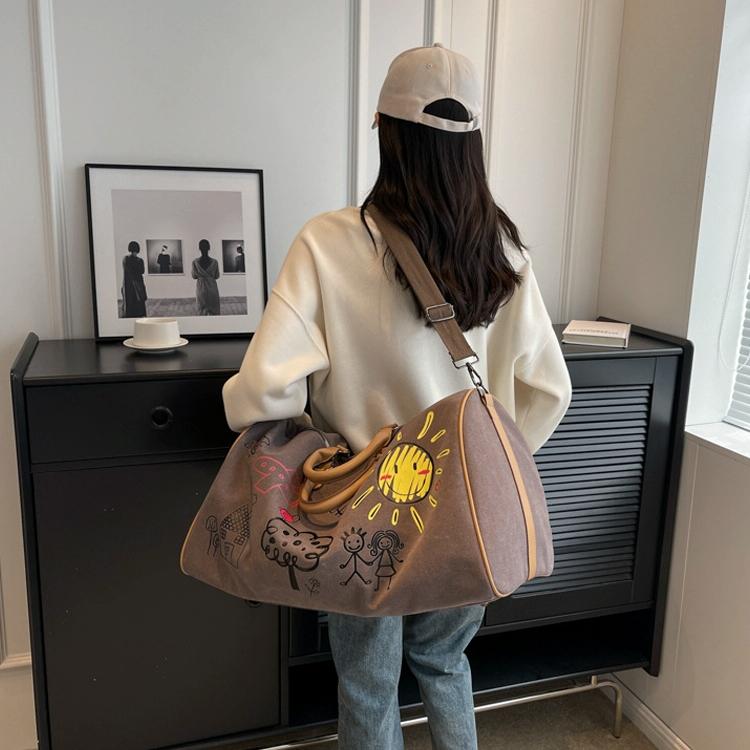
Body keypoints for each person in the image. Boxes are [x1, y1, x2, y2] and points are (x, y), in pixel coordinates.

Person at [221, 44, 572, 750]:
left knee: (367, 682)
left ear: (382, 125)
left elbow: (262, 390)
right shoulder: (505, 252)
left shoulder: (328, 243)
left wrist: (279, 421)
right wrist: (491, 461)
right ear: (473, 141)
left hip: (364, 511)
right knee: (445, 662)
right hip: (468, 507)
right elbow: (547, 389)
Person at [192, 238, 221, 314]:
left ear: (199, 248)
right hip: (212, 288)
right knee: (214, 311)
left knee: (201, 311)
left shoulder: (195, 262)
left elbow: (194, 276)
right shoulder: (215, 262)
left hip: (201, 288)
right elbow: (217, 276)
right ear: (209, 248)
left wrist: (201, 276)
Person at [121, 240, 147, 317]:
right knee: (139, 301)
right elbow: (142, 271)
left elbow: (127, 270)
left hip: (128, 284)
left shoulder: (125, 259)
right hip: (138, 283)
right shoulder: (140, 260)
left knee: (130, 301)